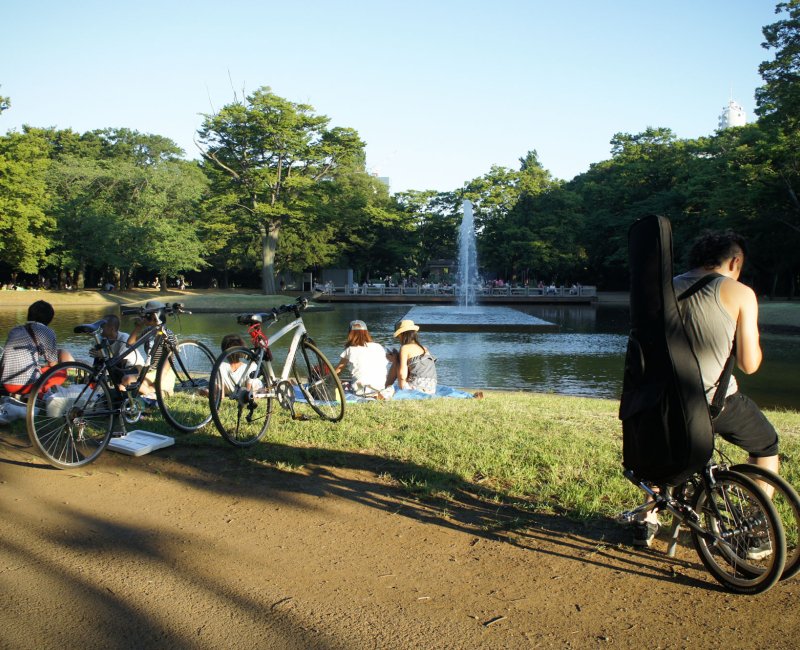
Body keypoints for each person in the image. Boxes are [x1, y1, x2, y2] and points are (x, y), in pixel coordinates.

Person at [633, 230, 780, 553]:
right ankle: (755, 528)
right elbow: (749, 364)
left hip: (660, 404)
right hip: (714, 403)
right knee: (767, 446)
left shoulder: (664, 287)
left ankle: (647, 517)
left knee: (665, 449)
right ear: (736, 261)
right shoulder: (740, 293)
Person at [0, 300, 74, 395]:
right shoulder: (46, 331)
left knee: (44, 368)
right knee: (62, 372)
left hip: (7, 384)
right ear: (49, 318)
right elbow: (53, 364)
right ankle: (44, 394)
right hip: (26, 386)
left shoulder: (15, 330)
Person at [126, 301, 177, 400]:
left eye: (146, 316)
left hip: (164, 373)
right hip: (150, 372)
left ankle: (159, 392)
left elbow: (170, 358)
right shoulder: (148, 332)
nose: (144, 318)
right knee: (125, 382)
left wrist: (158, 379)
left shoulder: (167, 334)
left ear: (155, 317)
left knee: (128, 381)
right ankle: (154, 393)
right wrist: (138, 327)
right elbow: (129, 345)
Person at [334, 320, 394, 398]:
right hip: (380, 388)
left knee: (343, 385)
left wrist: (328, 378)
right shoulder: (378, 346)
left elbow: (337, 370)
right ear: (366, 332)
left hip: (362, 391)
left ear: (350, 334)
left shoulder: (350, 349)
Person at [89, 314, 144, 388]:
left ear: (112, 329)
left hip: (133, 367)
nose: (100, 328)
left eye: (103, 326)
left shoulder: (124, 338)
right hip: (119, 367)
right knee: (100, 361)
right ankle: (93, 382)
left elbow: (121, 361)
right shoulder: (103, 339)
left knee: (112, 367)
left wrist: (103, 355)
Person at [392, 319, 437, 395]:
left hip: (417, 388)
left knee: (398, 365)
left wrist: (395, 360)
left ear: (402, 335)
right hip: (432, 388)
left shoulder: (405, 348)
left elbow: (402, 376)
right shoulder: (424, 348)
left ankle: (388, 386)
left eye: (398, 336)